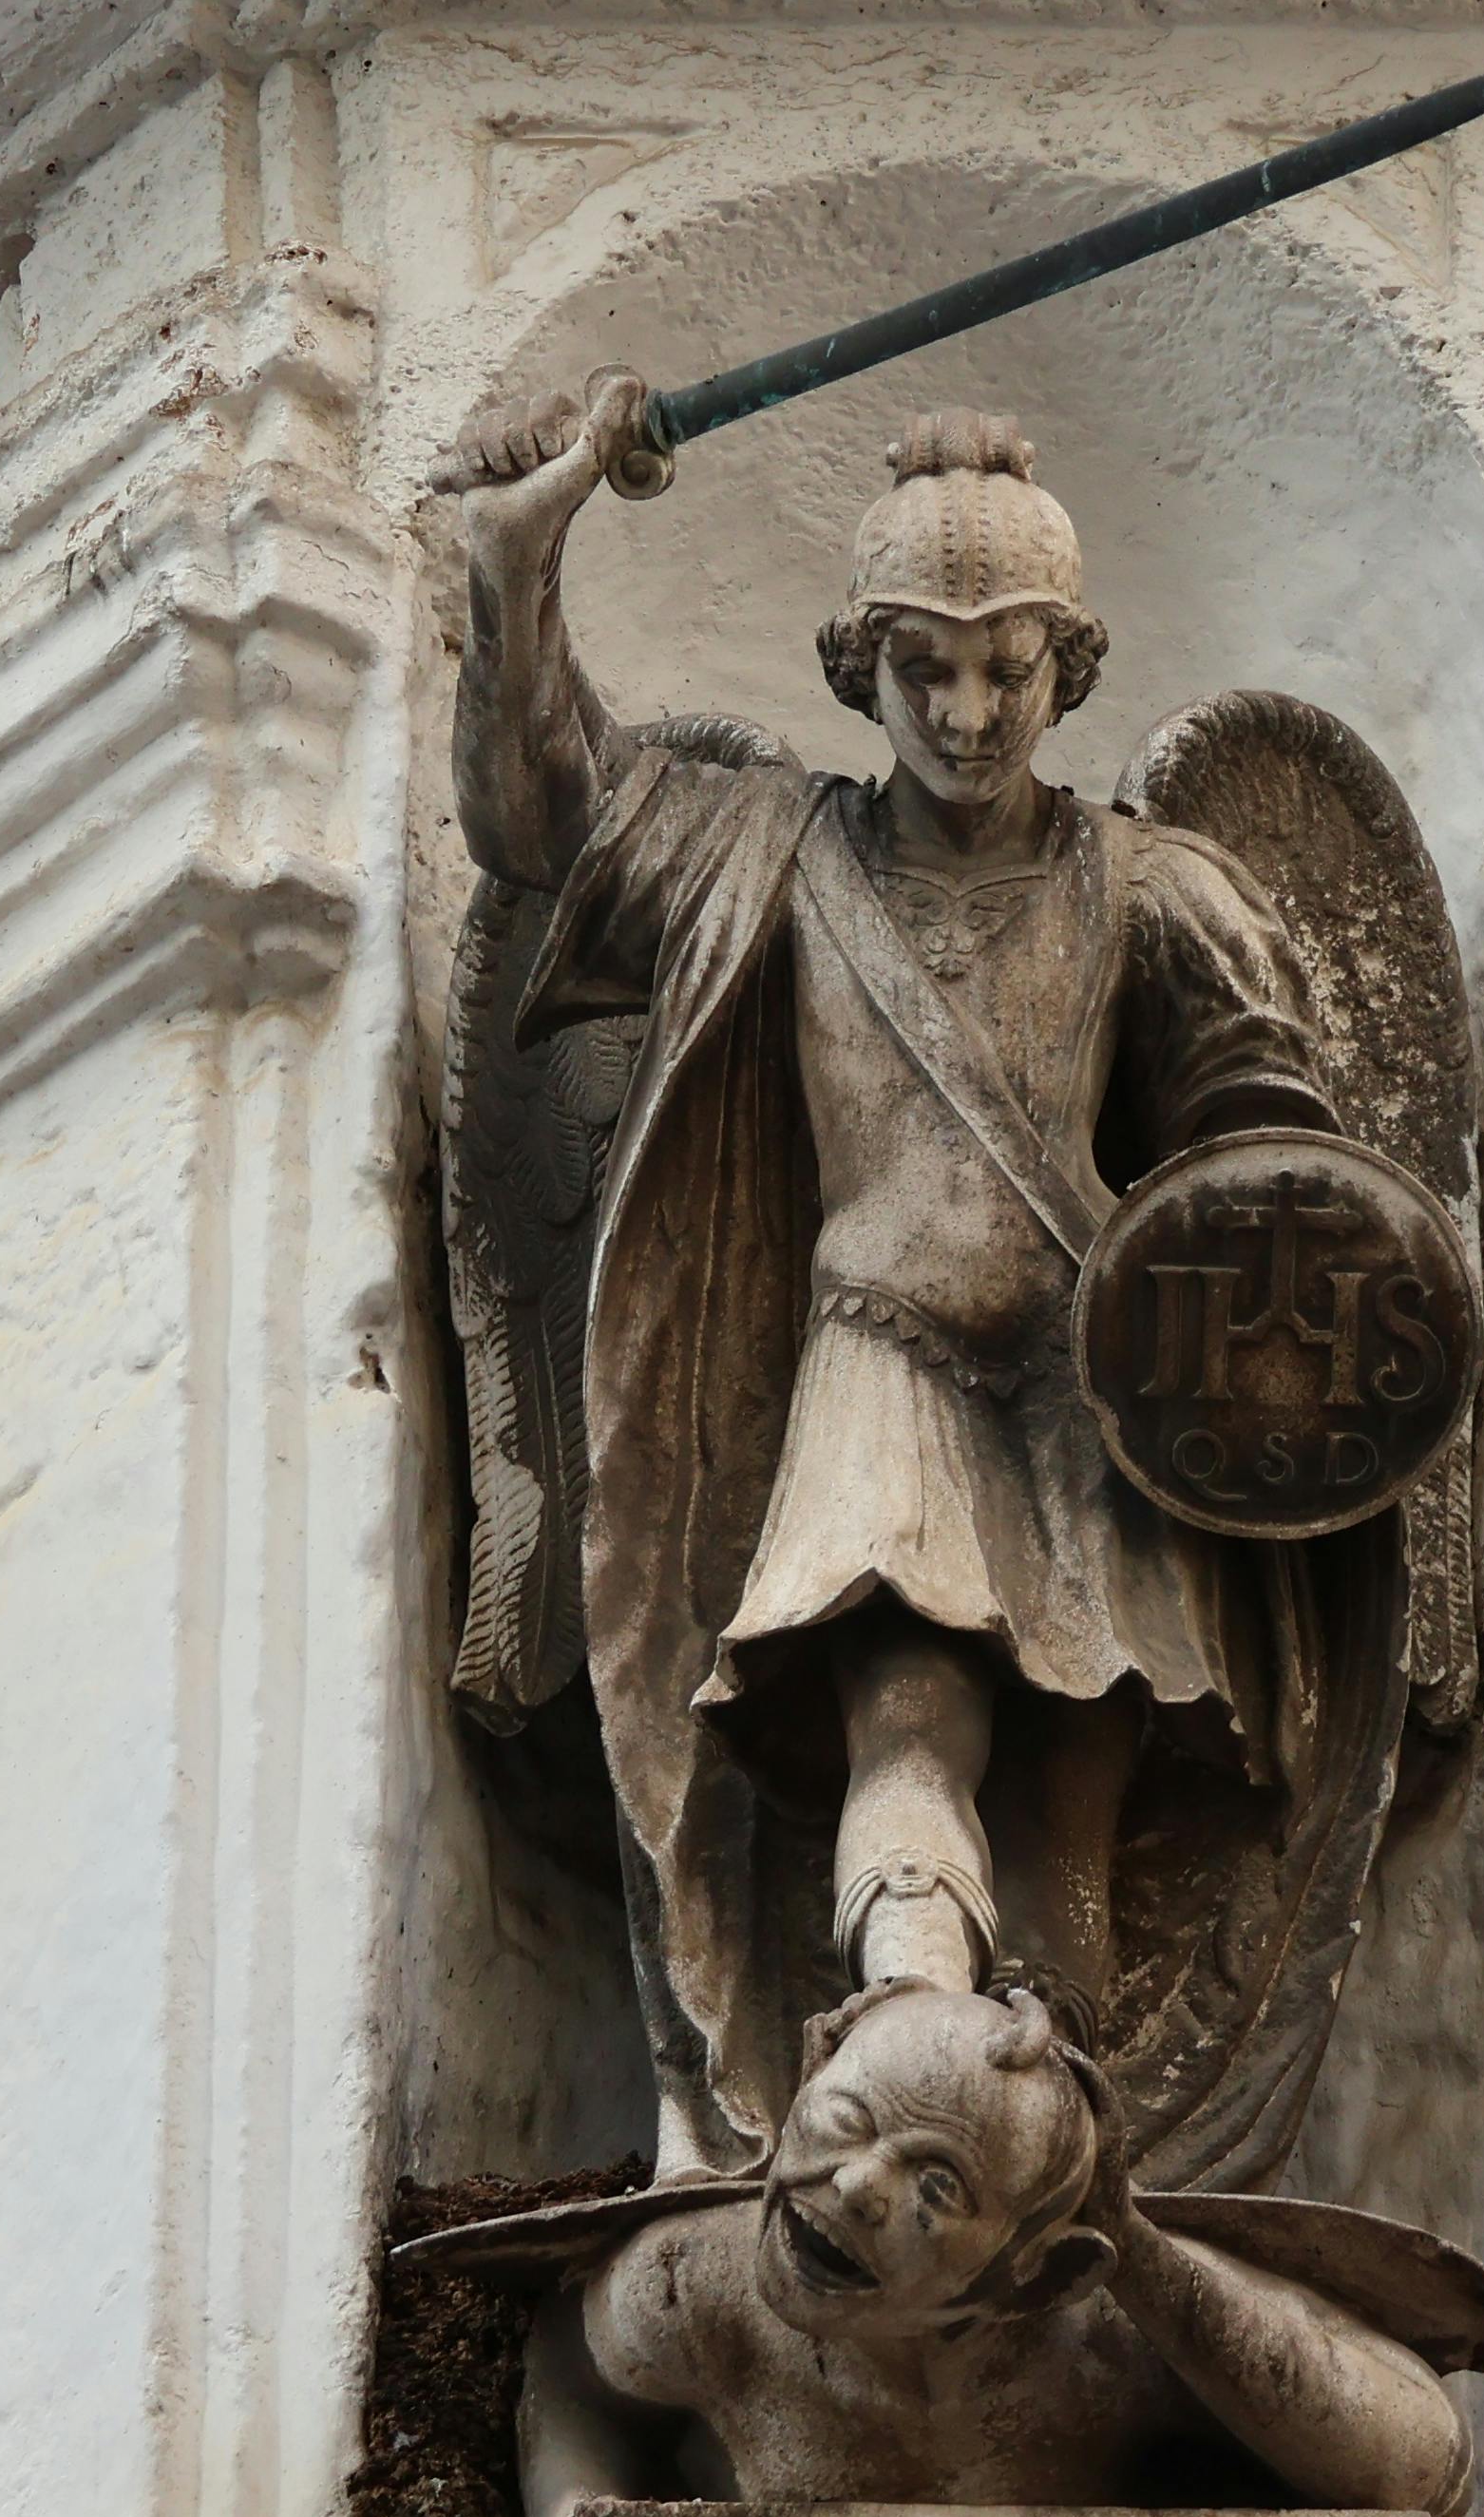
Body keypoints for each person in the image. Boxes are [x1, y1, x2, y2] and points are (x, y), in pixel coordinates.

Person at [447, 377, 1349, 2181]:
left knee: (1079, 1809)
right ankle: (906, 2026)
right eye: (923, 668)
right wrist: (514, 560)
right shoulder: (768, 860)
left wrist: (1263, 1236)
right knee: (904, 1715)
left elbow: (1282, 1175)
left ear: (1067, 667)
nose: (964, 711)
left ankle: (1049, 2156)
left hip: (1092, 1397)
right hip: (882, 1369)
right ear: (857, 665)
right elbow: (542, 816)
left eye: (1006, 669)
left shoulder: (1154, 891)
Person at [504, 1977, 1475, 2516]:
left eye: (937, 2187)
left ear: (1035, 2271)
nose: (851, 2186)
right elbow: (566, 2368)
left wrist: (1135, 2251)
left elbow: (1423, 2471)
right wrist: (573, 2513)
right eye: (842, 2117)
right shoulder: (697, 2282)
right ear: (802, 2081)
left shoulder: (1094, 2335)